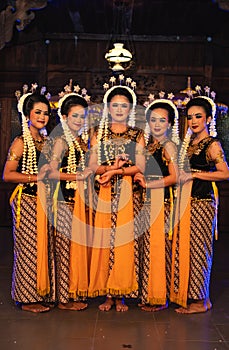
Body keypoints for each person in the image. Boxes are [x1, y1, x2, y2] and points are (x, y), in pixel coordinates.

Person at [88, 78, 145, 312]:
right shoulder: (98, 133)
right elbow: (93, 166)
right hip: (105, 191)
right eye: (115, 105)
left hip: (128, 193)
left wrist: (116, 171)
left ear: (130, 109)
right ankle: (107, 294)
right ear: (108, 108)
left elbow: (140, 165)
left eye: (124, 105)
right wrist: (110, 172)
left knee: (123, 242)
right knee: (104, 242)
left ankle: (121, 294)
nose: (119, 110)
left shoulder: (137, 134)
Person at [170, 95, 229, 314]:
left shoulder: (212, 144)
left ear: (208, 118)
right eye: (191, 116)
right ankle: (190, 295)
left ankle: (202, 301)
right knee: (187, 249)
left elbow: (224, 173)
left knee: (200, 250)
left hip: (203, 202)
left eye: (199, 116)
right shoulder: (190, 144)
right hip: (187, 202)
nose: (194, 121)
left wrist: (195, 174)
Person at [3, 88, 55, 313]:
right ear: (27, 115)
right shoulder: (20, 142)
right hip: (26, 200)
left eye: (45, 113)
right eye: (38, 112)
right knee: (27, 248)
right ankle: (26, 299)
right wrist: (35, 178)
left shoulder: (44, 140)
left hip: (44, 201)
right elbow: (7, 174)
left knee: (42, 247)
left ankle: (40, 293)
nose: (42, 117)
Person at [48, 90, 92, 311]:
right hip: (64, 200)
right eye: (75, 116)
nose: (79, 120)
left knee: (76, 248)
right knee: (64, 248)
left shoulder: (80, 141)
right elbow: (51, 173)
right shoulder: (60, 141)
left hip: (79, 201)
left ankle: (74, 291)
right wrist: (76, 176)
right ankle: (64, 298)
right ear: (64, 117)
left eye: (82, 116)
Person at [134, 98, 179, 312]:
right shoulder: (152, 145)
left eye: (162, 120)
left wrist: (149, 183)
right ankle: (150, 294)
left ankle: (159, 297)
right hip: (149, 203)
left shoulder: (168, 146)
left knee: (159, 250)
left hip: (162, 203)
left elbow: (174, 177)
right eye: (153, 120)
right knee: (149, 249)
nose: (157, 124)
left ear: (169, 124)